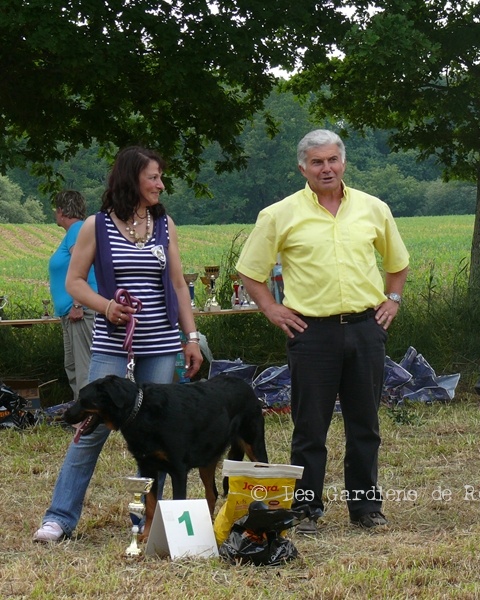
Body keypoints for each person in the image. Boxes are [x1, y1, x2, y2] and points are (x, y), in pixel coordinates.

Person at [237, 129, 410, 534]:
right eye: (317, 162)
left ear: (343, 162)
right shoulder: (279, 215)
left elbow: (398, 262)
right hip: (312, 333)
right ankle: (306, 508)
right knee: (310, 427)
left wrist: (393, 299)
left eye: (332, 160)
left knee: (365, 425)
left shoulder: (373, 208)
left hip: (366, 328)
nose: (326, 168)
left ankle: (365, 508)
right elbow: (249, 271)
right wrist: (271, 308)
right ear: (303, 168)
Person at [34, 146, 202, 542]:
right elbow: (74, 281)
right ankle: (59, 518)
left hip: (161, 346)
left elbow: (179, 285)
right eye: (153, 177)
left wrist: (191, 337)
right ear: (132, 179)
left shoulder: (164, 224)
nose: (161, 184)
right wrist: (106, 307)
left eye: (160, 177)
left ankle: (146, 521)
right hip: (112, 346)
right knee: (90, 428)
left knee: (156, 434)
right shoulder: (96, 226)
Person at [48, 190, 98, 402]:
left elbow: (84, 266)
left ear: (61, 211)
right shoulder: (76, 231)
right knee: (74, 367)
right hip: (72, 313)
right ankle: (82, 410)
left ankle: (89, 414)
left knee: (84, 368)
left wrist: (78, 303)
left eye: (55, 210)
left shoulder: (77, 230)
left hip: (81, 311)